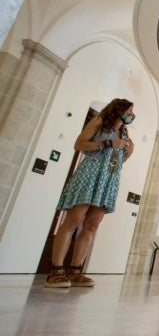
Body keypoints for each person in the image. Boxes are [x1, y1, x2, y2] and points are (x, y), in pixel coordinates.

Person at [45, 98, 135, 288]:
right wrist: (106, 144)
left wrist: (128, 152)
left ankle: (76, 270)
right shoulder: (99, 122)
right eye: (129, 110)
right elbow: (79, 144)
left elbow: (118, 160)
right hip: (90, 173)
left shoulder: (125, 132)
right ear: (118, 110)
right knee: (74, 220)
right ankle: (56, 271)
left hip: (108, 179)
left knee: (92, 224)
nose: (132, 115)